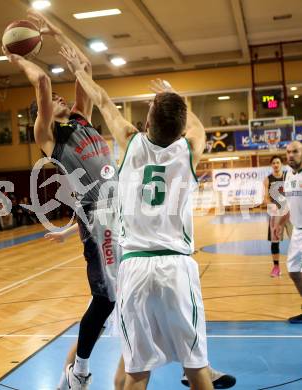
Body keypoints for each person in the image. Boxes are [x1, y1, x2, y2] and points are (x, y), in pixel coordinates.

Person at [60, 47, 234, 390]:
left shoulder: (131, 142)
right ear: (181, 127)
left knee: (136, 372)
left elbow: (105, 101)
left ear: (148, 122)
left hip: (135, 268)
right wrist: (177, 97)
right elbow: (197, 128)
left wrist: (80, 71)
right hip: (176, 268)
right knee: (197, 366)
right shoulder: (189, 150)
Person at [4, 10, 120, 390]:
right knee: (106, 300)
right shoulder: (50, 137)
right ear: (43, 114)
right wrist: (16, 54)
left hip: (123, 213)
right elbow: (40, 79)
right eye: (52, 100)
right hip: (99, 220)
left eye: (59, 98)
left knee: (127, 297)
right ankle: (78, 374)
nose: (58, 99)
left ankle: (76, 372)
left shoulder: (82, 120)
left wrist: (54, 30)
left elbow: (83, 65)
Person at [274, 141, 302, 324]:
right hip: (298, 231)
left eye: (295, 152)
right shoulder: (289, 176)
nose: (290, 155)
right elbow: (289, 206)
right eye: (288, 152)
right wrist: (279, 224)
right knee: (293, 270)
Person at [263, 155, 292, 277]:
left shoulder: (289, 176)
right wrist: (273, 207)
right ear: (271, 165)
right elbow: (266, 198)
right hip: (276, 215)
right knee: (275, 242)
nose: (276, 164)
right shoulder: (268, 179)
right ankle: (276, 268)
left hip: (290, 214)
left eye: (278, 162)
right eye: (274, 162)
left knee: (297, 240)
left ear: (281, 164)